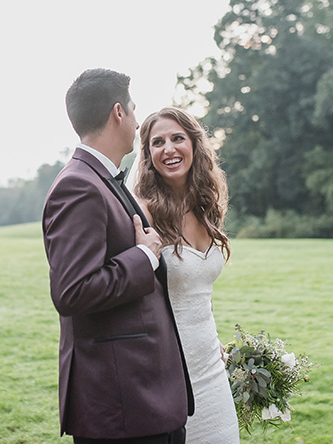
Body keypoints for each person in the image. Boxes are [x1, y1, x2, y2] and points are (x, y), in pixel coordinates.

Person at [42, 69, 193, 444]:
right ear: (118, 113)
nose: (139, 121)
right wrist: (144, 256)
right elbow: (72, 292)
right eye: (134, 109)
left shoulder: (102, 179)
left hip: (145, 400)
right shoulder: (79, 186)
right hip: (123, 406)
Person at [134, 106, 240, 443]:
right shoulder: (142, 211)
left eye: (177, 138)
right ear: (148, 155)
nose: (169, 149)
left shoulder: (207, 205)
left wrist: (213, 341)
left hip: (212, 366)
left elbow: (197, 292)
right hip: (168, 372)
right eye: (157, 142)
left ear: (194, 144)